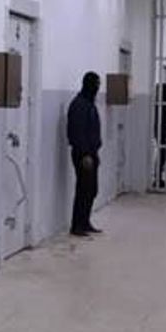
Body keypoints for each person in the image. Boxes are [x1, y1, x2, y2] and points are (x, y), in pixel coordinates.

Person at [67, 72, 103, 236]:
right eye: (96, 84)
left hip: (91, 153)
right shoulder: (79, 105)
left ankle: (85, 222)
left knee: (91, 190)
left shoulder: (89, 103)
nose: (98, 87)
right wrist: (85, 154)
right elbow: (77, 132)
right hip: (83, 155)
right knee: (83, 190)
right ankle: (77, 225)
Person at [154, 83, 166, 189]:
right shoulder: (161, 105)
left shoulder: (160, 104)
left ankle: (158, 177)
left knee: (162, 154)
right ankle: (157, 178)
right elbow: (165, 119)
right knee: (162, 155)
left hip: (161, 131)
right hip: (161, 131)